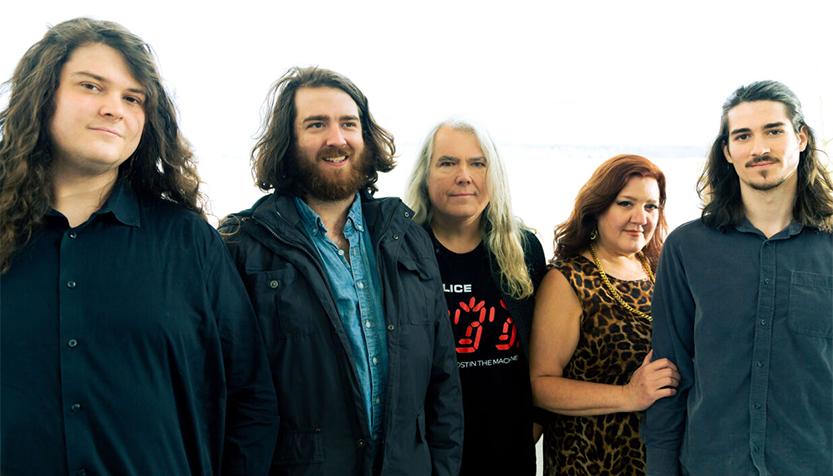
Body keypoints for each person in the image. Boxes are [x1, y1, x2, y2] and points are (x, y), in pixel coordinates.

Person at [0, 18, 278, 476]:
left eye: (133, 98)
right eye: (92, 86)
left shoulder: (190, 242)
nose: (115, 109)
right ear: (41, 95)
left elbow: (250, 400)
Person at [219, 66, 464, 475]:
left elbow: (444, 384)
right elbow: (230, 398)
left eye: (349, 124)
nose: (337, 139)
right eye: (317, 124)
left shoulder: (407, 237)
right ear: (288, 140)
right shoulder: (242, 247)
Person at [642, 80, 833, 475]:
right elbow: (668, 374)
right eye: (743, 135)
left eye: (774, 131)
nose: (759, 148)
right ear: (727, 151)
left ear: (800, 138)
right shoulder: (686, 247)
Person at [404, 118, 546, 475]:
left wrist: (539, 417)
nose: (463, 176)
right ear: (425, 175)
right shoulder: (399, 252)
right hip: (427, 453)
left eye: (477, 163)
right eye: (448, 162)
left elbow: (544, 348)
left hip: (509, 448)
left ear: (493, 174)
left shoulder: (524, 249)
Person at [530, 154, 680, 475]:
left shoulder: (660, 270)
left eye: (651, 206)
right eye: (626, 203)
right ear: (597, 208)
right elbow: (539, 385)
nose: (641, 217)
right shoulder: (566, 279)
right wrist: (630, 395)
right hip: (588, 459)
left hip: (655, 459)